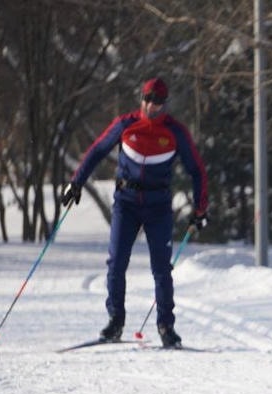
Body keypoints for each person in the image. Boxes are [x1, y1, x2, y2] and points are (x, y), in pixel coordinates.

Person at [61, 77, 209, 348]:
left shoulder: (175, 132)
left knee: (161, 268)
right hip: (126, 203)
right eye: (148, 99)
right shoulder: (125, 124)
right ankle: (115, 321)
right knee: (116, 262)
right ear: (141, 99)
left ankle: (166, 327)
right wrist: (76, 182)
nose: (152, 106)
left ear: (165, 103)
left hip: (158, 206)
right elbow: (97, 151)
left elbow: (197, 170)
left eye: (158, 101)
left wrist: (200, 209)